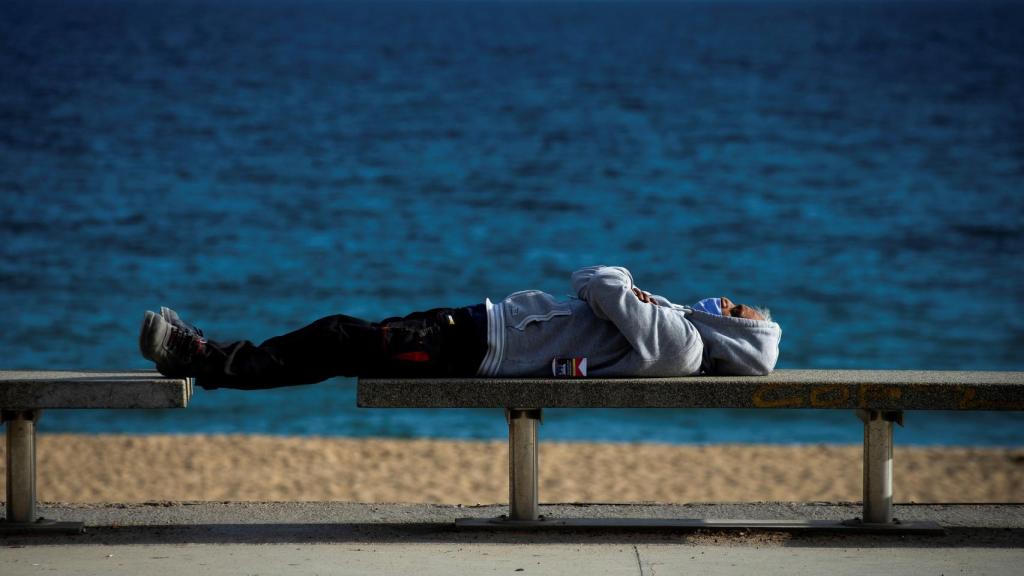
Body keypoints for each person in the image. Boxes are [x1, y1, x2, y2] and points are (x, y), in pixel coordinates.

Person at [139, 265, 781, 390]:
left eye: (736, 309)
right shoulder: (680, 336)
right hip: (482, 332)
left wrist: (634, 287)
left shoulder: (683, 340)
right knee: (342, 337)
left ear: (738, 337)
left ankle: (198, 358)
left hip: (483, 346)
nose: (724, 300)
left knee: (338, 338)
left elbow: (598, 280)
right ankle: (204, 354)